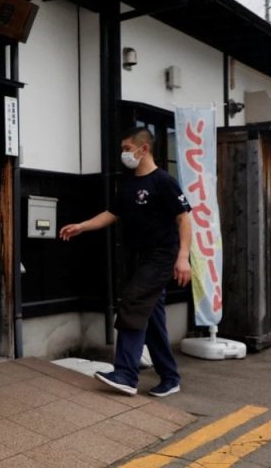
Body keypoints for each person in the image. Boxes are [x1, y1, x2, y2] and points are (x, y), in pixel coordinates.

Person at [59, 127, 192, 397]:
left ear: (144, 149)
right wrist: (82, 226)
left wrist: (183, 257)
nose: (124, 154)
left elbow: (184, 218)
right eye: (123, 149)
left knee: (131, 304)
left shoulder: (163, 181)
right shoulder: (129, 183)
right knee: (151, 318)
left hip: (160, 255)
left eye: (127, 148)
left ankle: (126, 374)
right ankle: (170, 377)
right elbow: (112, 213)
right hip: (136, 257)